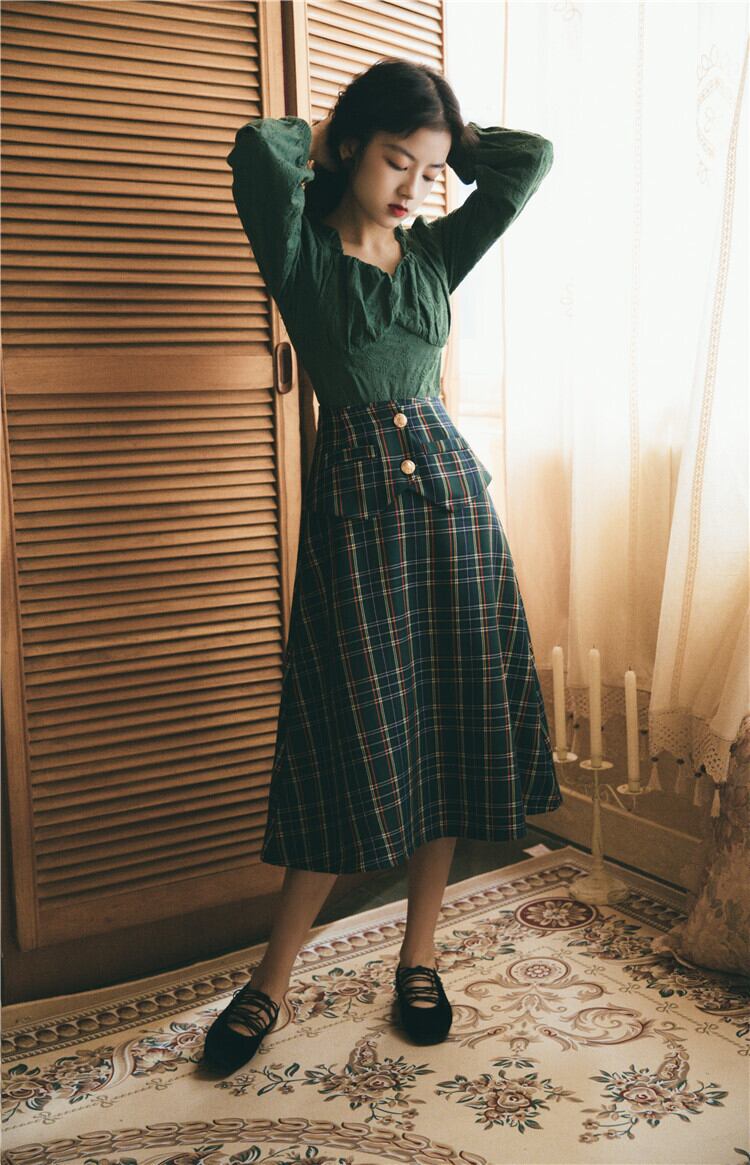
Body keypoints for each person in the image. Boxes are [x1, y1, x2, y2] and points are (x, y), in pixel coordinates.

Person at [203, 56, 562, 1074]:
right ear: (356, 145)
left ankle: (419, 954)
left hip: (453, 509)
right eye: (398, 159)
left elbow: (531, 161)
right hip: (358, 524)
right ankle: (272, 978)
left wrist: (451, 135)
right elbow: (258, 151)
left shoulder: (436, 254)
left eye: (431, 169)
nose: (415, 185)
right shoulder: (301, 256)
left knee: (449, 730)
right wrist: (338, 133)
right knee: (346, 739)